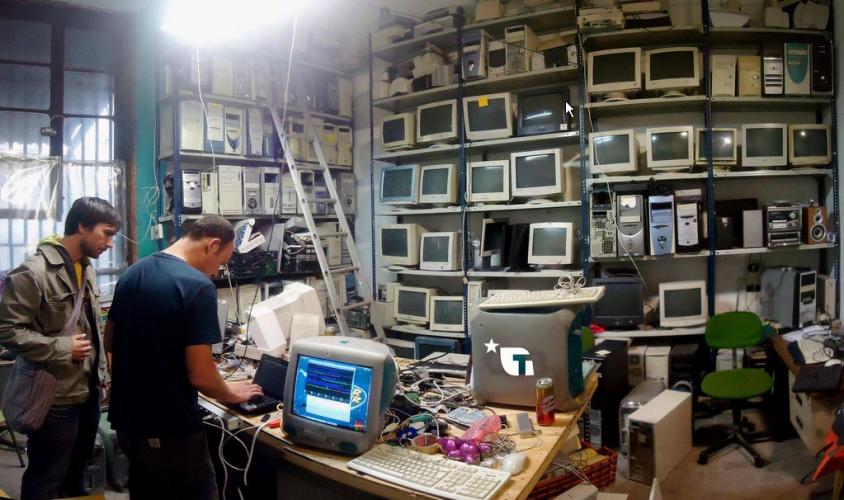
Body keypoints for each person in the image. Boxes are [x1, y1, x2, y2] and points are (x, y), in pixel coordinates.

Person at [105, 215, 262, 500]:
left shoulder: (133, 272)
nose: (216, 272)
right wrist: (230, 393)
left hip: (128, 423)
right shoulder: (197, 286)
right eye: (221, 263)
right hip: (169, 427)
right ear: (212, 245)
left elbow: (110, 341)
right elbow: (201, 377)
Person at [0, 196, 121, 500]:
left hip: (88, 392)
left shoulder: (87, 269)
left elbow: (92, 328)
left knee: (76, 475)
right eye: (106, 233)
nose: (110, 243)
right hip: (55, 397)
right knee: (45, 478)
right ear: (82, 226)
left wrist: (103, 375)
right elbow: (7, 331)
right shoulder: (33, 272)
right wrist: (60, 348)